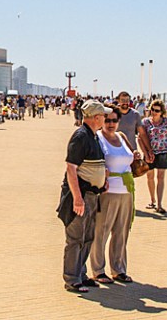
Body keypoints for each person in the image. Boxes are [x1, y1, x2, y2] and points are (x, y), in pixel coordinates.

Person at [57, 99, 112, 293]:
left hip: (92, 195)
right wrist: (77, 198)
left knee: (88, 236)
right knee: (76, 238)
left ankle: (81, 272)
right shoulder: (80, 136)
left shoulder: (94, 136)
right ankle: (72, 279)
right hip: (80, 196)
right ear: (96, 117)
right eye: (104, 115)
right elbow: (71, 169)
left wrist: (102, 181)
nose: (106, 118)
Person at [90, 105, 136, 284]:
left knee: (121, 231)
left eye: (114, 120)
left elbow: (130, 155)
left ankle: (119, 269)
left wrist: (137, 155)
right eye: (107, 120)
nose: (110, 124)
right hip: (108, 191)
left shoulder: (122, 137)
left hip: (126, 190)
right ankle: (98, 269)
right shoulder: (98, 138)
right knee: (101, 231)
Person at [138, 99, 167, 214]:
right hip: (149, 153)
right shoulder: (145, 122)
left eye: (157, 110)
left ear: (161, 112)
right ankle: (152, 200)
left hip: (162, 152)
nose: (154, 112)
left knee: (160, 178)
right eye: (152, 110)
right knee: (150, 177)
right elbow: (140, 138)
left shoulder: (166, 122)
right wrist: (146, 153)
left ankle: (160, 204)